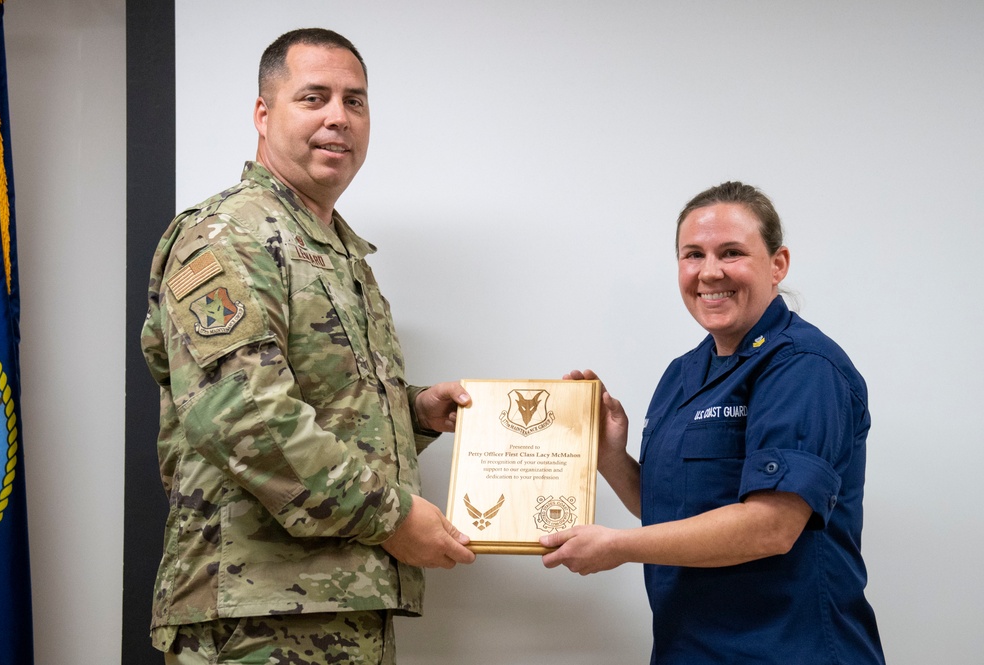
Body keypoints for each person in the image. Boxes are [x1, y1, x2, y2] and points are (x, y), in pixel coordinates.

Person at [140, 28, 476, 665]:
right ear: (263, 115)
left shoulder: (339, 252)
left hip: (335, 606)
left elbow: (323, 402)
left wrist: (415, 411)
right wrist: (394, 517)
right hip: (253, 616)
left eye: (355, 101)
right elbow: (246, 416)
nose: (337, 118)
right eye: (313, 97)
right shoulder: (226, 236)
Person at [540, 182, 885, 664]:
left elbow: (771, 526)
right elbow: (673, 512)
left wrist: (618, 547)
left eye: (731, 252)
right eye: (693, 255)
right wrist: (610, 457)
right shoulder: (682, 374)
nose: (709, 272)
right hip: (691, 649)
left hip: (788, 650)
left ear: (778, 264)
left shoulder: (804, 367)